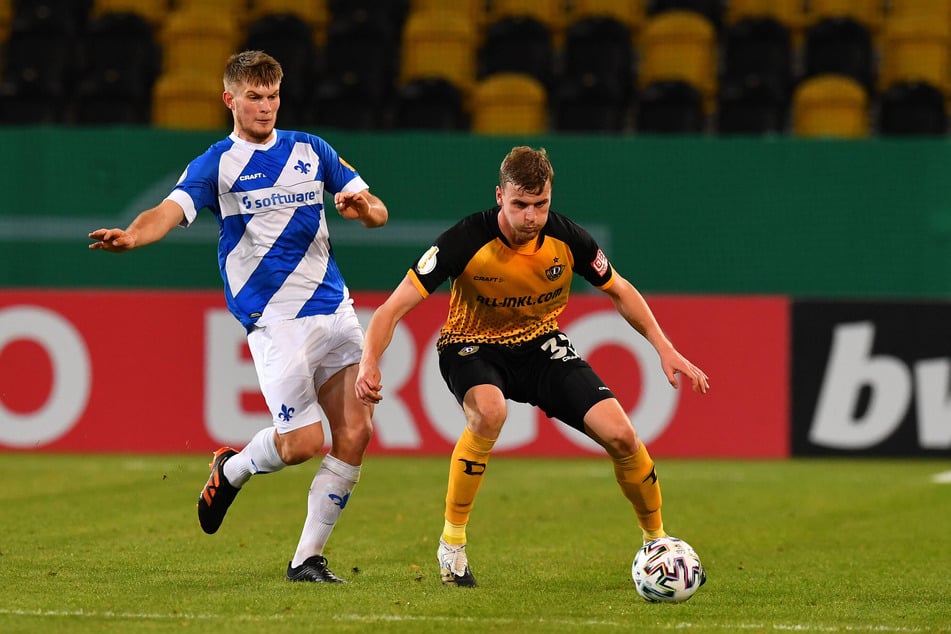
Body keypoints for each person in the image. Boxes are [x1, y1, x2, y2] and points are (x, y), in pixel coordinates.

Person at [88, 50, 388, 583]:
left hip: (333, 308)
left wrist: (362, 209)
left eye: (273, 96)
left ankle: (307, 559)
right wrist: (133, 235)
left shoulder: (311, 149)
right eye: (254, 97)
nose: (266, 106)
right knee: (301, 444)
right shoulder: (216, 164)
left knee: (357, 432)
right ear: (230, 100)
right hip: (275, 321)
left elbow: (377, 211)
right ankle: (232, 469)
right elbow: (168, 210)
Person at [355, 146, 709, 587]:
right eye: (520, 205)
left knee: (622, 435)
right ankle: (453, 544)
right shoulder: (464, 240)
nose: (531, 218)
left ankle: (656, 542)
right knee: (490, 411)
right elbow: (390, 311)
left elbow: (619, 289)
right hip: (471, 345)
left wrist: (664, 347)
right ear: (499, 195)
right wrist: (370, 361)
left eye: (540, 205)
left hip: (541, 346)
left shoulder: (568, 239)